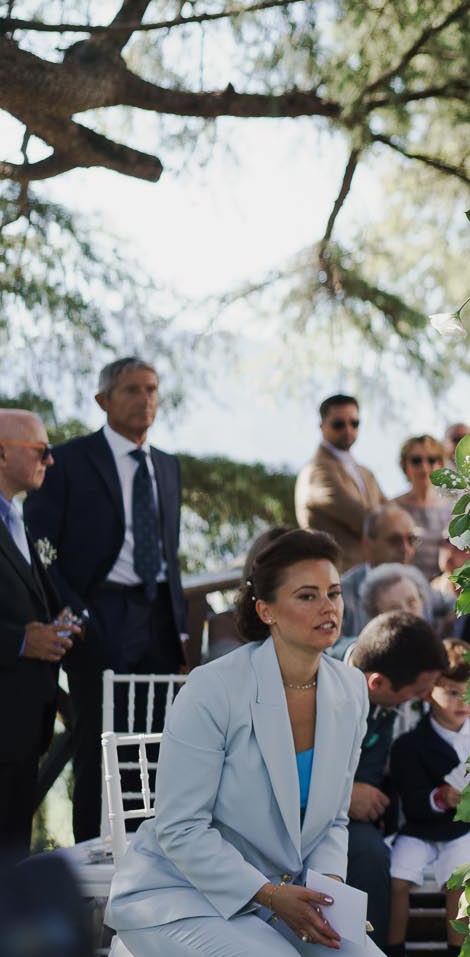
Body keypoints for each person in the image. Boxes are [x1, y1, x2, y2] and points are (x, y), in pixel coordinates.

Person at [104, 529, 381, 956]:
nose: (328, 607)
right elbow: (181, 828)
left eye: (334, 592)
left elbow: (334, 821)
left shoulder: (351, 689)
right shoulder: (213, 687)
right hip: (179, 894)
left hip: (286, 900)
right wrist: (268, 894)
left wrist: (328, 897)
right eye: (307, 596)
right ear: (266, 610)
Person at [25, 357, 190, 845]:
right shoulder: (69, 461)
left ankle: (152, 854)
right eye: (133, 390)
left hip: (158, 617)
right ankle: (94, 859)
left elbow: (169, 553)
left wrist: (179, 623)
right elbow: (39, 544)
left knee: (159, 743)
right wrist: (73, 611)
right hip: (99, 612)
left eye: (153, 390)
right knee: (100, 743)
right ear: (103, 401)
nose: (145, 400)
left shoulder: (166, 465)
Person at [344, 610, 449, 954]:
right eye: (418, 689)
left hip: (343, 822)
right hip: (288, 815)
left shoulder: (384, 704)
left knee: (373, 851)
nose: (424, 698)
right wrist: (344, 797)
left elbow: (370, 775)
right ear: (377, 683)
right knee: (368, 851)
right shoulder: (317, 686)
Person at [386, 639, 470, 950]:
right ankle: (394, 947)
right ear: (430, 692)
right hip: (423, 827)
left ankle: (457, 950)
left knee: (459, 879)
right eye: (453, 692)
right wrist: (439, 798)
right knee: (397, 877)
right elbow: (412, 798)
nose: (463, 701)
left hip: (467, 830)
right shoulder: (410, 744)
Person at [0, 408, 72, 858]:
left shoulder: (15, 518)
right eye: (41, 451)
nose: (50, 460)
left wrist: (58, 626)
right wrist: (22, 641)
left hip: (24, 724)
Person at [296, 395, 385, 572]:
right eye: (339, 424)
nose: (348, 430)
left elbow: (390, 509)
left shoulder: (365, 472)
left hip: (370, 573)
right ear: (322, 427)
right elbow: (363, 519)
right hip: (336, 576)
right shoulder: (317, 471)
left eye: (354, 423)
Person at [339, 508, 425, 637]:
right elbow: (332, 645)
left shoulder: (417, 577)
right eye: (395, 540)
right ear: (368, 545)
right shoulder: (343, 592)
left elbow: (450, 604)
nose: (405, 549)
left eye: (411, 539)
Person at [388, 437, 453, 579]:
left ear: (441, 464)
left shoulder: (453, 508)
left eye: (431, 460)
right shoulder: (392, 508)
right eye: (416, 460)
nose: (424, 467)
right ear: (404, 465)